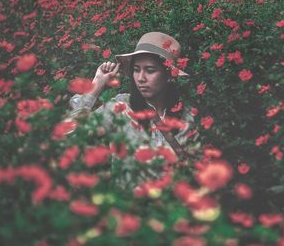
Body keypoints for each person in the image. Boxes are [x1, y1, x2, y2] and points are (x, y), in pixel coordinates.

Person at [68, 32, 198, 186]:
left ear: (169, 74)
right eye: (136, 69)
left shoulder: (187, 116)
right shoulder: (120, 108)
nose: (141, 78)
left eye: (150, 70)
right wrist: (96, 85)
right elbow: (69, 135)